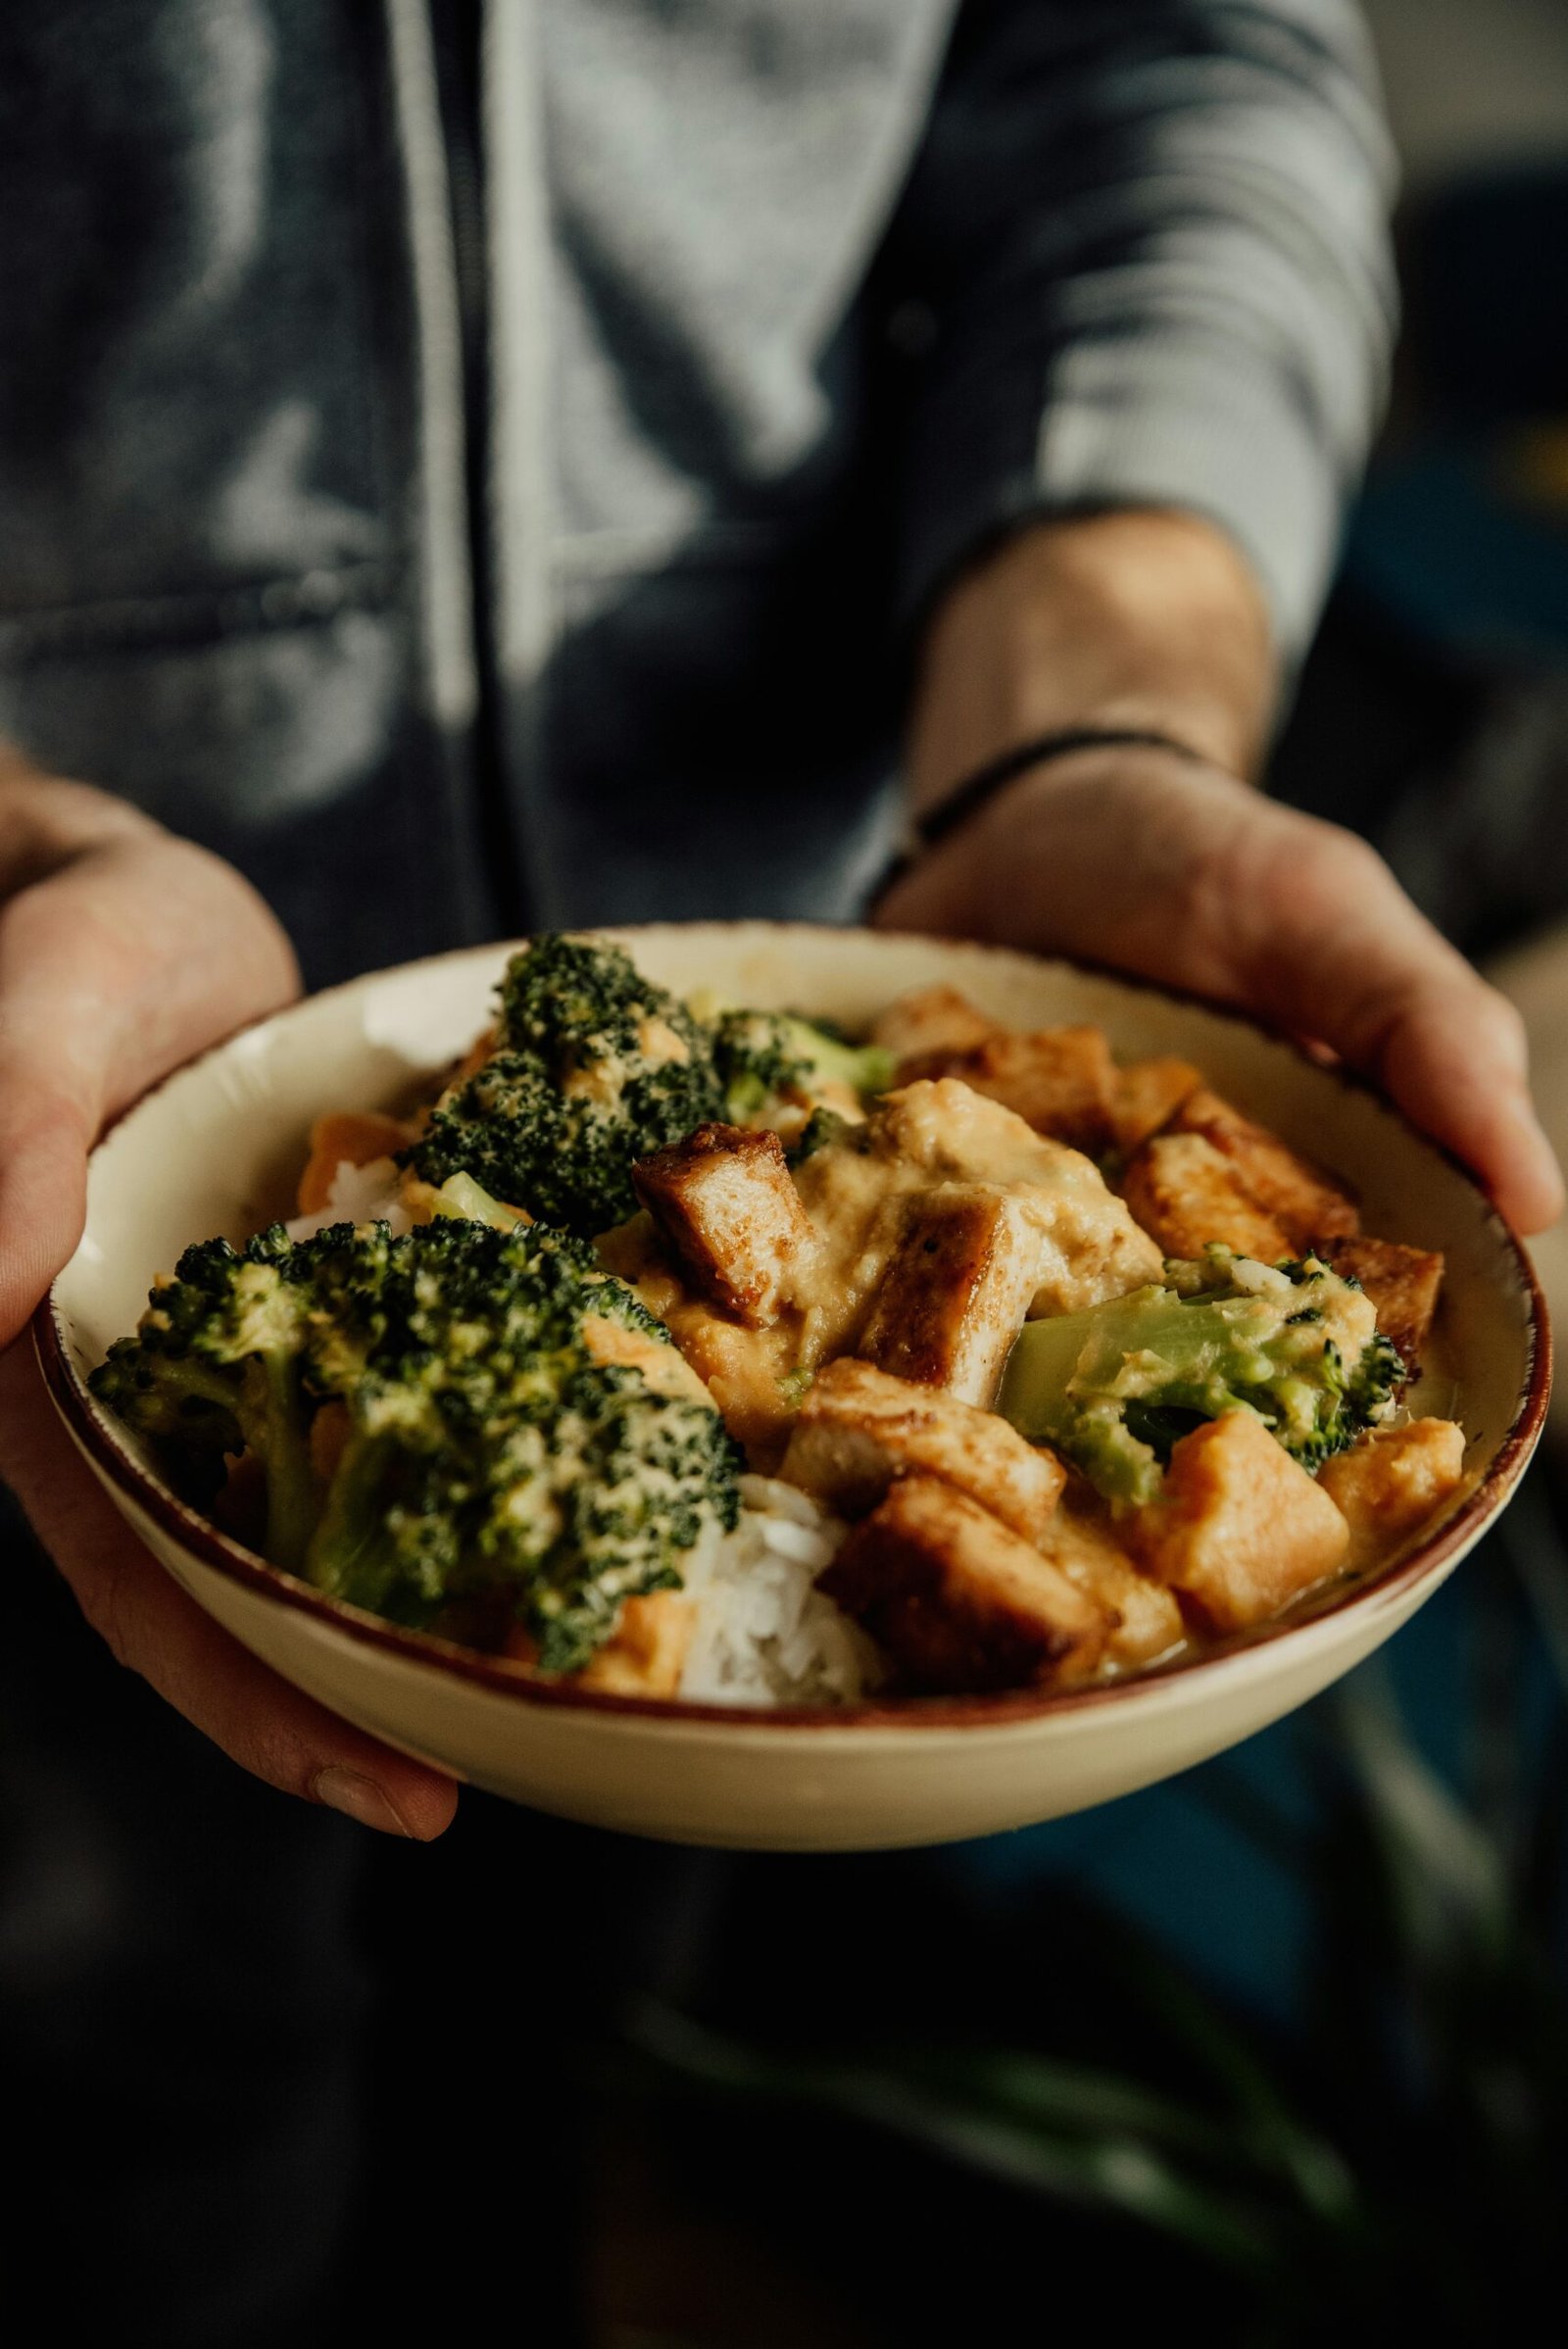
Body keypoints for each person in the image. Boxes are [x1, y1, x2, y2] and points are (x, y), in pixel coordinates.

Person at [0, 1, 1559, 2330]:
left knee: (558, 2068)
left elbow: (1169, 72)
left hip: (886, 852)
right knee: (111, 2139)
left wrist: (1096, 702)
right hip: (66, 1081)